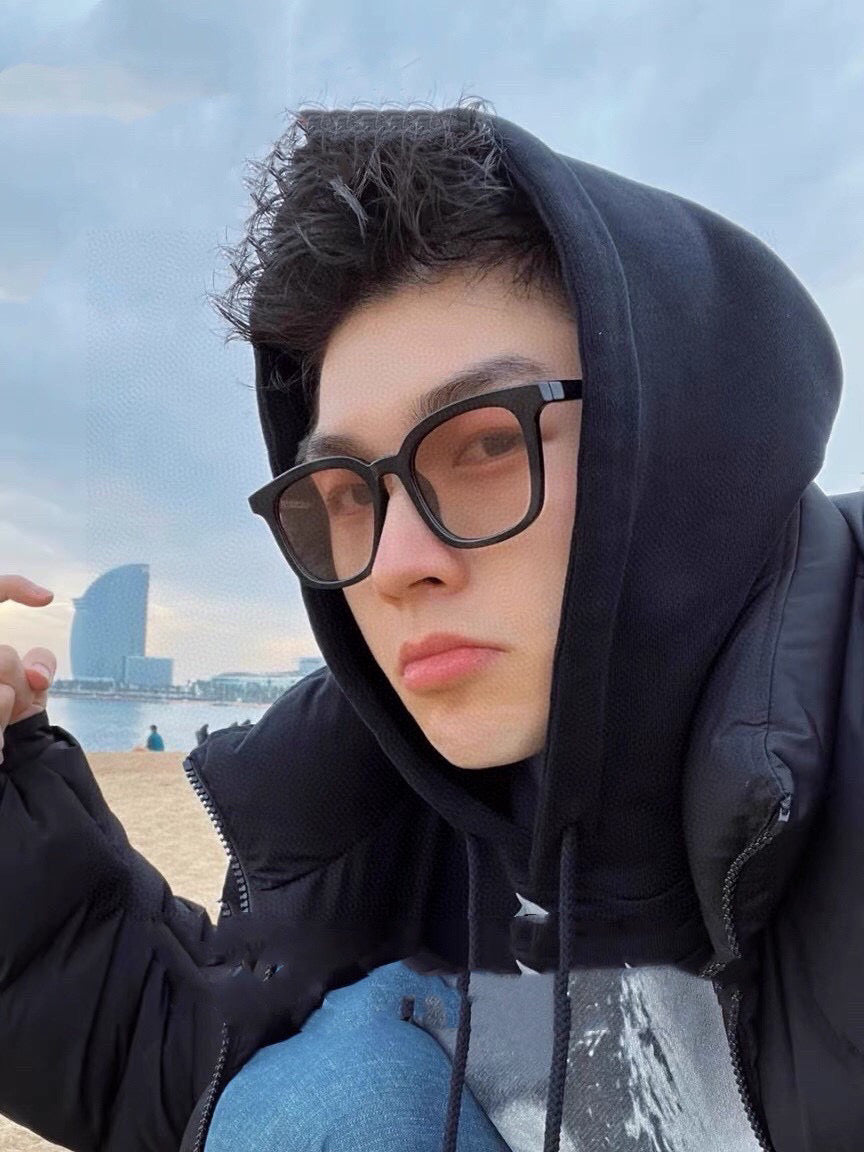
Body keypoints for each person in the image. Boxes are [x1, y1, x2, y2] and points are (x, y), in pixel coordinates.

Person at [0, 101, 862, 1152]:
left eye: (487, 442)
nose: (397, 563)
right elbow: (192, 1078)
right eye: (346, 491)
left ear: (677, 430)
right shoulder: (367, 782)